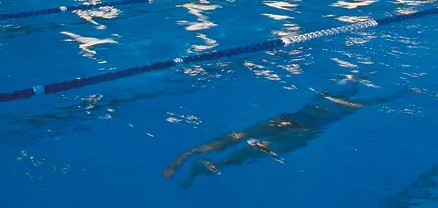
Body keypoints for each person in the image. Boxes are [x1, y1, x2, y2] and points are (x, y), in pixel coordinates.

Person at [163, 78, 409, 186]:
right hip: (306, 129)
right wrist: (406, 91)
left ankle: (184, 158)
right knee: (256, 150)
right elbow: (381, 99)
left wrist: (357, 76)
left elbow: (340, 82)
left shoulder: (322, 95)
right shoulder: (353, 105)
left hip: (286, 118)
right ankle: (218, 165)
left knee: (235, 137)